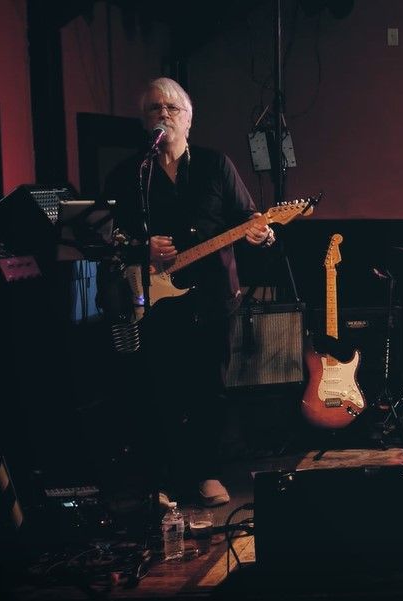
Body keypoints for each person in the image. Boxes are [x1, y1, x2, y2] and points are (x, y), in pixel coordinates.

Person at [102, 77, 275, 507]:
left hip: (212, 297)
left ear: (189, 119)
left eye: (172, 108)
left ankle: (206, 473)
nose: (164, 114)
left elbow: (247, 216)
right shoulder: (130, 174)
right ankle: (162, 479)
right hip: (155, 300)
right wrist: (142, 247)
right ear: (145, 121)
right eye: (154, 108)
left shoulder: (216, 165)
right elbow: (107, 236)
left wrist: (261, 233)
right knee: (159, 390)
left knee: (209, 390)